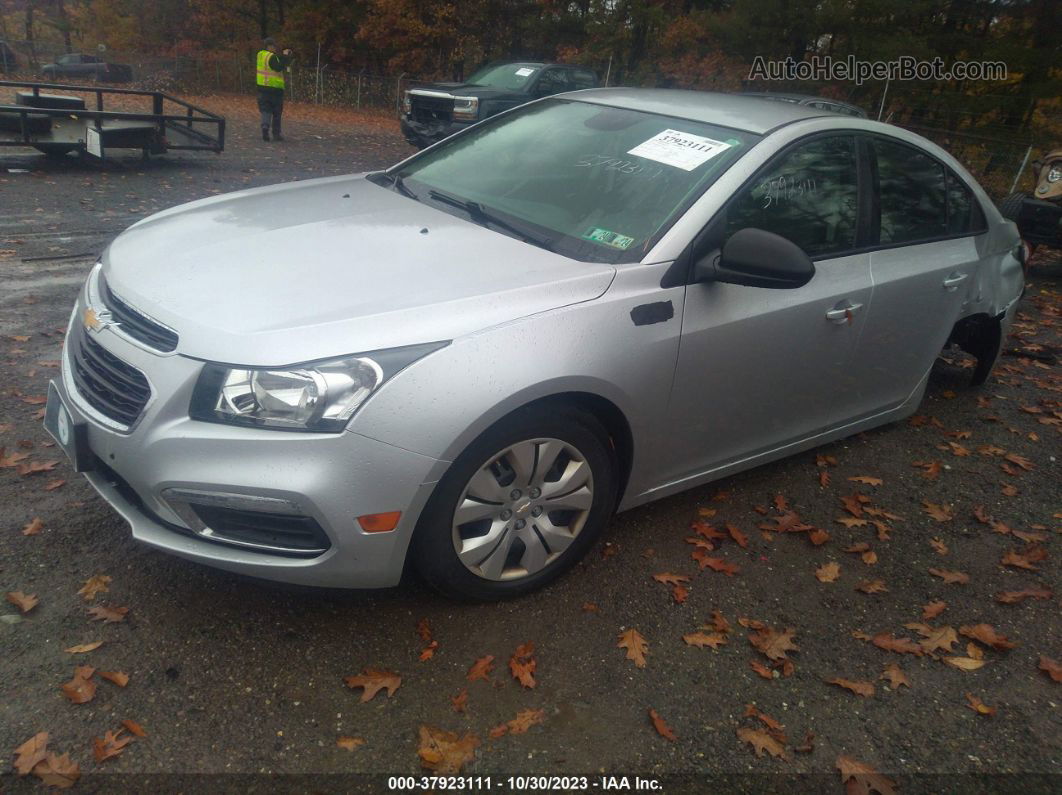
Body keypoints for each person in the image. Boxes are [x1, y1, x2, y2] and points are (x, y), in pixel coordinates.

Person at [256, 37, 294, 142]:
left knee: (265, 110)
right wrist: (286, 56)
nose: (275, 48)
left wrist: (282, 56)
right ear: (269, 46)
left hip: (262, 88)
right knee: (277, 112)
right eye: (273, 46)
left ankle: (265, 127)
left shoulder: (260, 55)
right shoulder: (271, 57)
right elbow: (278, 67)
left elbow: (273, 64)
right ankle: (276, 134)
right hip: (274, 89)